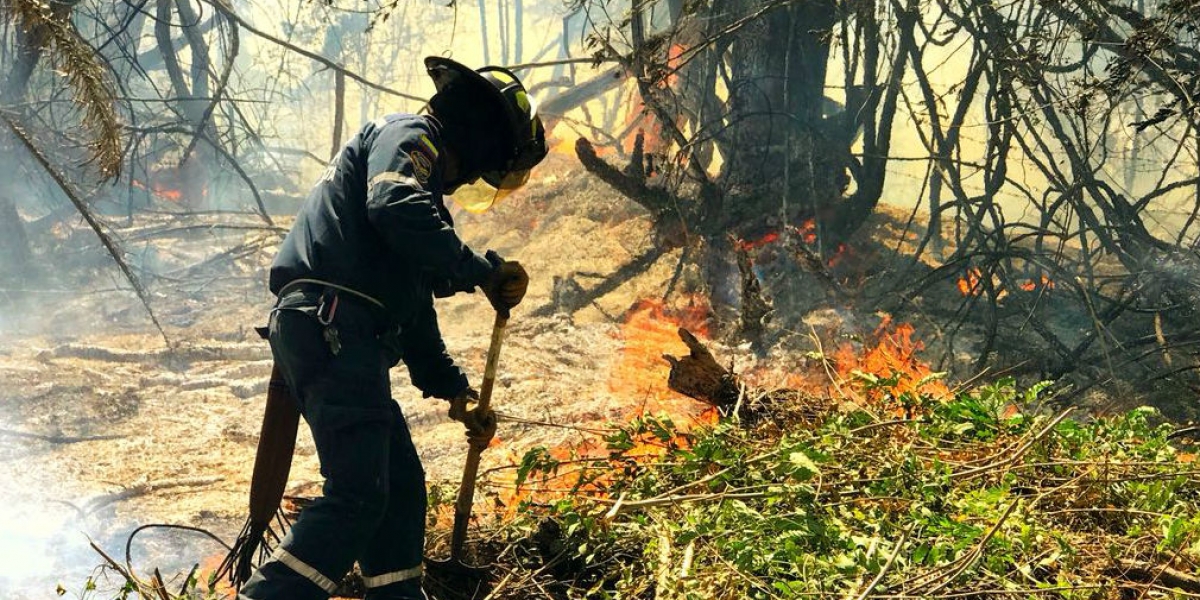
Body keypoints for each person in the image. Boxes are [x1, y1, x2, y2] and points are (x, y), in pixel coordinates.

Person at [238, 57, 548, 600]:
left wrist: (456, 392)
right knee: (358, 494)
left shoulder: (421, 205)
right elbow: (392, 204)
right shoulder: (410, 138)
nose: (477, 178)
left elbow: (413, 313)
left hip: (343, 329)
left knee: (400, 487)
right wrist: (480, 272)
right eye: (489, 167)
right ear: (482, 137)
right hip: (334, 322)